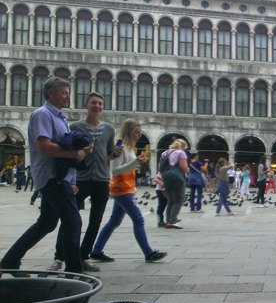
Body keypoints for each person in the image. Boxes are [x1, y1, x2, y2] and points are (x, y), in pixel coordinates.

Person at [1, 78, 94, 273]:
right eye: (64, 92)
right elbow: (45, 146)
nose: (68, 96)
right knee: (72, 220)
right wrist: (78, 154)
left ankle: (10, 260)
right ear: (51, 94)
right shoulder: (42, 114)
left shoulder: (60, 117)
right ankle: (74, 271)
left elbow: (65, 146)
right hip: (52, 177)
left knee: (47, 223)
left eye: (68, 92)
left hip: (61, 177)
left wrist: (72, 179)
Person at [48, 92, 117, 272]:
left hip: (101, 179)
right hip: (81, 179)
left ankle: (83, 256)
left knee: (96, 221)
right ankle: (59, 257)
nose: (97, 106)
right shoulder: (75, 127)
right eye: (94, 103)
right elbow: (68, 153)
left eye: (100, 103)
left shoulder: (109, 129)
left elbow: (108, 153)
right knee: (69, 219)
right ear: (86, 105)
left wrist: (114, 154)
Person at [90, 119, 167, 263]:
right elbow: (115, 170)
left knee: (114, 221)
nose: (139, 135)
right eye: (136, 133)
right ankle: (148, 252)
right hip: (121, 188)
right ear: (129, 132)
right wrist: (136, 162)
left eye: (139, 132)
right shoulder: (120, 146)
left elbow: (127, 167)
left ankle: (96, 250)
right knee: (138, 219)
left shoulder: (130, 147)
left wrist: (136, 163)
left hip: (126, 188)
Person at [160, 139, 189, 229]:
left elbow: (159, 166)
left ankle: (168, 220)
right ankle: (172, 220)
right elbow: (183, 167)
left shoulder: (164, 153)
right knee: (179, 199)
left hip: (165, 176)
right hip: (176, 176)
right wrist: (187, 170)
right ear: (183, 146)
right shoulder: (181, 152)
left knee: (171, 199)